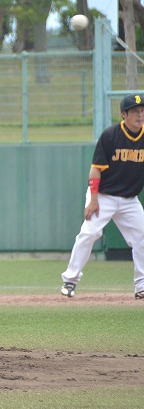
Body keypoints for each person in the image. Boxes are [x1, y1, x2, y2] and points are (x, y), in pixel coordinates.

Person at [61, 93, 144, 300]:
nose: (140, 115)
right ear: (123, 114)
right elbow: (95, 169)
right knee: (89, 233)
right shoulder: (110, 135)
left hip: (129, 200)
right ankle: (70, 280)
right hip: (104, 196)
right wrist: (94, 199)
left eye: (142, 111)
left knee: (142, 237)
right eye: (135, 111)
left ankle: (141, 285)